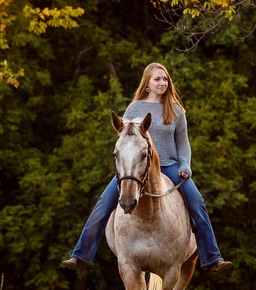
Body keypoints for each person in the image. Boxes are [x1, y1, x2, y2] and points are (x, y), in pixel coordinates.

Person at [61, 62, 232, 275]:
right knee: (103, 203)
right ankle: (81, 255)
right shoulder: (134, 108)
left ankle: (212, 258)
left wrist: (185, 165)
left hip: (169, 166)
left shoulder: (176, 110)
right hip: (137, 168)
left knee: (197, 202)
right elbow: (125, 140)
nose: (162, 82)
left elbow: (183, 144)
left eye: (165, 79)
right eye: (157, 79)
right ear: (147, 83)